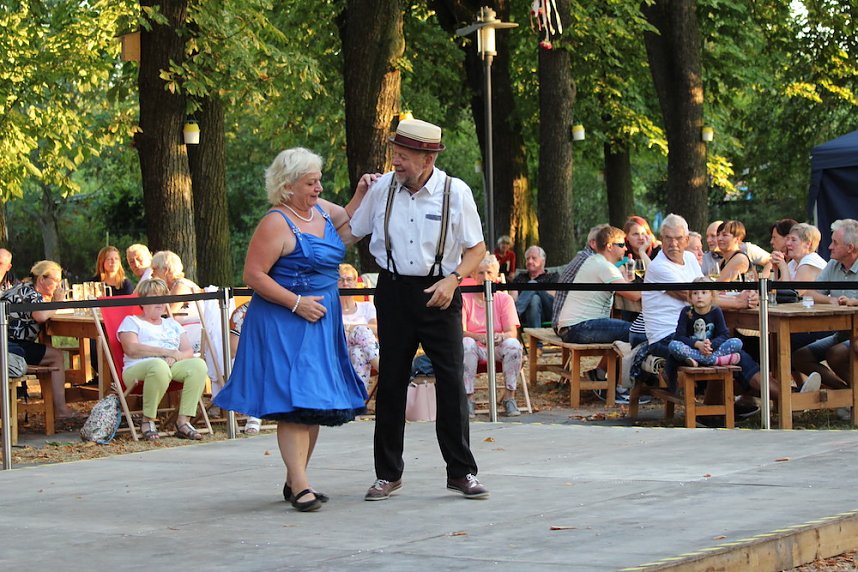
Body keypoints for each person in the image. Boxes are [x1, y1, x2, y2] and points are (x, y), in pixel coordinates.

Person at [214, 147, 372, 512]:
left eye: (319, 180)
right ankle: (300, 484)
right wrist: (297, 303)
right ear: (288, 186)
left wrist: (361, 193)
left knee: (314, 401)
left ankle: (294, 477)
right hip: (285, 320)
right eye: (310, 182)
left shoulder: (321, 210)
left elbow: (347, 222)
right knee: (294, 404)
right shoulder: (276, 222)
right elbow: (252, 275)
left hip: (322, 319)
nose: (318, 187)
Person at [349, 118, 489, 501]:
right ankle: (387, 473)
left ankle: (461, 471)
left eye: (404, 155)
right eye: (395, 152)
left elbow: (477, 249)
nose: (396, 161)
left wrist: (454, 279)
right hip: (393, 290)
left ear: (427, 158)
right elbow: (350, 232)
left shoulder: (455, 192)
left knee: (451, 382)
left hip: (439, 291)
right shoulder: (381, 189)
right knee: (391, 382)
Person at [117, 278, 208, 441]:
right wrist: (165, 352)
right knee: (159, 365)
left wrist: (175, 357)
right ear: (143, 302)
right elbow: (131, 348)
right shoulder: (132, 321)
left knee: (198, 365)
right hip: (137, 369)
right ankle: (148, 421)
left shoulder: (172, 324)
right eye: (154, 298)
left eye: (162, 298)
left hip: (169, 366)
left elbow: (187, 350)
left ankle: (183, 422)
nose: (160, 303)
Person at [792, 219, 858, 391]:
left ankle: (853, 398)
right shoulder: (833, 265)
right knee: (800, 357)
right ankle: (845, 393)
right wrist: (830, 300)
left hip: (854, 333)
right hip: (843, 333)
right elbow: (810, 292)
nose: (829, 247)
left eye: (835, 242)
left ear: (850, 248)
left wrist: (854, 302)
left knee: (835, 354)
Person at [1, 260, 72, 418]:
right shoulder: (32, 294)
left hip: (7, 343)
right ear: (41, 279)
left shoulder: (20, 287)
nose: (58, 286)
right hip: (10, 347)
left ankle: (54, 407)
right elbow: (40, 316)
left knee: (49, 353)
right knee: (56, 356)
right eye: (55, 281)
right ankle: (60, 409)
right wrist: (58, 303)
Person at [554, 225, 640, 345]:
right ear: (609, 246)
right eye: (621, 245)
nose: (625, 248)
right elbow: (635, 296)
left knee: (625, 331)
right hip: (580, 327)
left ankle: (603, 365)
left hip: (571, 327)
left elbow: (626, 288)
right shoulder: (605, 266)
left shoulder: (595, 260)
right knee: (638, 331)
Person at [461, 253, 523, 418]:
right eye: (480, 272)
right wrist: (479, 337)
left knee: (513, 345)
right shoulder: (464, 298)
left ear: (496, 275)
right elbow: (460, 330)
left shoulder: (504, 299)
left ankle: (509, 398)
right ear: (473, 275)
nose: (485, 277)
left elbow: (512, 331)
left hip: (497, 346)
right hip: (475, 346)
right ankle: (469, 399)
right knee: (466, 343)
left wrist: (501, 336)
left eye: (489, 272)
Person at [667, 277, 743, 367]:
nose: (699, 296)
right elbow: (679, 337)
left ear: (712, 296)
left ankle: (700, 360)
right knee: (673, 345)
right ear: (690, 297)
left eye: (704, 292)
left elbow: (724, 335)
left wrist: (709, 345)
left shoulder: (716, 311)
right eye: (695, 293)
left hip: (711, 350)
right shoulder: (686, 312)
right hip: (692, 349)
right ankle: (716, 360)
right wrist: (698, 344)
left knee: (737, 343)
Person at [150, 250, 203, 351]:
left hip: (191, 335)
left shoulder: (181, 286)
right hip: (183, 333)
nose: (152, 274)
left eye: (155, 269)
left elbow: (169, 313)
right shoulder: (174, 287)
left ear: (165, 270)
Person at [338, 263, 380, 390]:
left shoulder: (366, 307)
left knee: (358, 352)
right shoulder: (332, 310)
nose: (345, 283)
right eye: (340, 280)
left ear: (356, 283)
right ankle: (385, 370)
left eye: (349, 280)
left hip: (362, 351)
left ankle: (357, 402)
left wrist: (351, 327)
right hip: (339, 349)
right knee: (361, 330)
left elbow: (377, 329)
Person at [227, 302, 262, 435]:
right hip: (252, 358)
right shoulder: (242, 312)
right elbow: (234, 349)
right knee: (254, 363)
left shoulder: (286, 306)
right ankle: (254, 414)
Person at [513, 245, 558, 334]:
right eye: (527, 259)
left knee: (533, 285)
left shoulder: (553, 277)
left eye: (534, 258)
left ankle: (514, 315)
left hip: (548, 313)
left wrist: (536, 287)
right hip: (526, 314)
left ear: (543, 261)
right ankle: (537, 345)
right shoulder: (520, 278)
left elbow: (555, 297)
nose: (530, 261)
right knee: (534, 299)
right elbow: (512, 298)